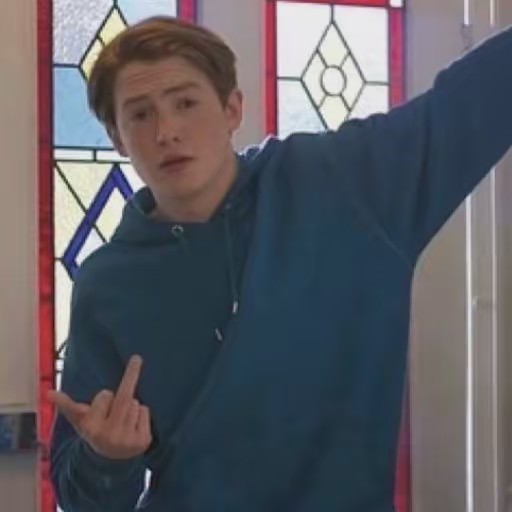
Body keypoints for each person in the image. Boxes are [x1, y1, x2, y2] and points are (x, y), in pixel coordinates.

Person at [49, 14, 512, 512]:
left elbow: (475, 100)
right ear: (118, 139)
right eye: (140, 115)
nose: (167, 131)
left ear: (232, 109)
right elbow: (81, 498)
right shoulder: (107, 284)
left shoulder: (345, 186)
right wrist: (107, 458)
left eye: (186, 103)